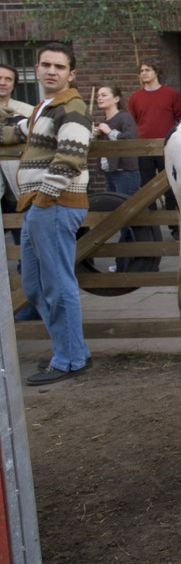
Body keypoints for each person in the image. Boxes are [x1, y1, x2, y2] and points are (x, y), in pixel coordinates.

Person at [0, 42, 93, 385]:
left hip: (54, 204)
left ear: (71, 74)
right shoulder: (45, 108)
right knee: (35, 285)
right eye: (45, 65)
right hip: (40, 206)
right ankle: (71, 351)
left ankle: (70, 359)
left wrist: (43, 199)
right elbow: (17, 132)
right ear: (37, 70)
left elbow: (71, 157)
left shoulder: (73, 107)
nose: (51, 70)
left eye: (59, 66)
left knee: (56, 283)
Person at [127, 58, 181, 240]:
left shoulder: (171, 94)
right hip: (143, 149)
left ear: (156, 72)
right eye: (141, 71)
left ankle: (174, 228)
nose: (144, 73)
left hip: (166, 147)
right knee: (146, 189)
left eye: (147, 70)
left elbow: (178, 116)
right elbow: (136, 119)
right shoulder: (135, 98)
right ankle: (151, 230)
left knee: (169, 188)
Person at [0, 63, 34, 249]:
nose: (3, 83)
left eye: (8, 79)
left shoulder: (26, 111)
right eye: (0, 78)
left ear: (14, 84)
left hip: (18, 179)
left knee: (22, 232)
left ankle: (24, 271)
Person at [94, 84, 141, 197]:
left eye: (104, 95)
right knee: (113, 208)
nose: (99, 98)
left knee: (126, 208)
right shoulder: (104, 121)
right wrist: (96, 136)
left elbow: (130, 138)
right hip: (109, 171)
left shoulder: (125, 117)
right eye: (98, 96)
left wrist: (109, 132)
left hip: (125, 172)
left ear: (116, 99)